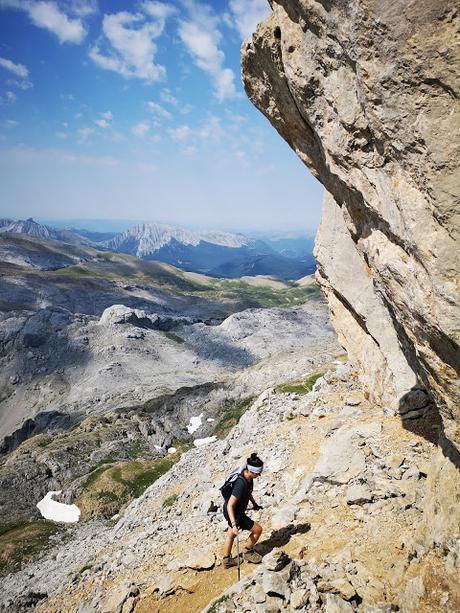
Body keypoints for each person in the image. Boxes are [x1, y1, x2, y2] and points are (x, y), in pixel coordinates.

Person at [222, 452, 264, 568]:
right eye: (258, 473)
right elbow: (231, 504)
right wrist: (234, 524)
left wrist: (254, 504)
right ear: (251, 471)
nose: (259, 475)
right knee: (258, 530)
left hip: (235, 511)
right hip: (234, 512)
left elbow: (248, 493)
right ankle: (247, 551)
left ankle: (227, 559)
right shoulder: (241, 484)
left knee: (231, 534)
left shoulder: (248, 477)